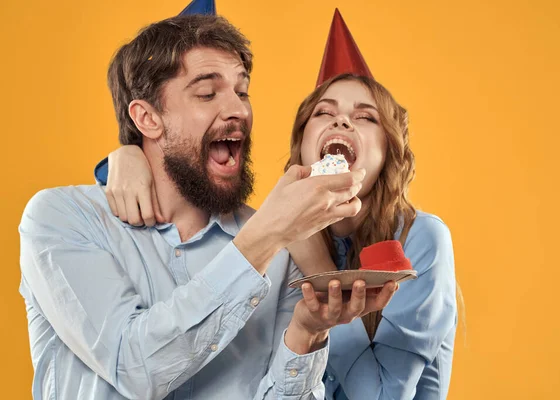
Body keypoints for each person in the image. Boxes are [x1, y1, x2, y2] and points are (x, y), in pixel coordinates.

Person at [18, 13, 399, 400]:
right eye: (207, 93)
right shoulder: (63, 218)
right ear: (147, 118)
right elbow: (134, 367)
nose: (240, 110)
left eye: (242, 91)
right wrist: (266, 235)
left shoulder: (283, 251)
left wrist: (306, 333)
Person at [101, 9, 459, 400]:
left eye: (366, 117)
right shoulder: (273, 230)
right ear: (302, 145)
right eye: (324, 113)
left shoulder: (420, 238)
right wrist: (125, 157)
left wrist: (315, 263)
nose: (342, 123)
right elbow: (185, 179)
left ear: (388, 150)